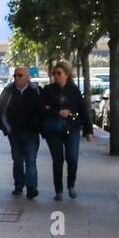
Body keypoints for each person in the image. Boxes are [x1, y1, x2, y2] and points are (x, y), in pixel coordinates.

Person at [40, 60, 94, 200]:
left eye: (59, 73)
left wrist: (88, 131)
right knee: (57, 160)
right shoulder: (48, 90)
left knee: (72, 158)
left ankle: (71, 185)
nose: (56, 76)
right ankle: (59, 191)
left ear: (66, 75)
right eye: (54, 73)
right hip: (54, 130)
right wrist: (58, 112)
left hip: (72, 128)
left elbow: (83, 110)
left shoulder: (74, 90)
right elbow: (42, 109)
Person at [0, 66, 43, 198]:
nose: (16, 78)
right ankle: (18, 185)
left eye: (20, 75)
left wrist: (40, 127)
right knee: (17, 161)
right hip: (14, 134)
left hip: (31, 133)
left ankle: (32, 187)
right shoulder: (8, 91)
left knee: (30, 160)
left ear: (27, 77)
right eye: (15, 75)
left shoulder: (36, 91)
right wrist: (7, 130)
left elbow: (42, 111)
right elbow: (0, 112)